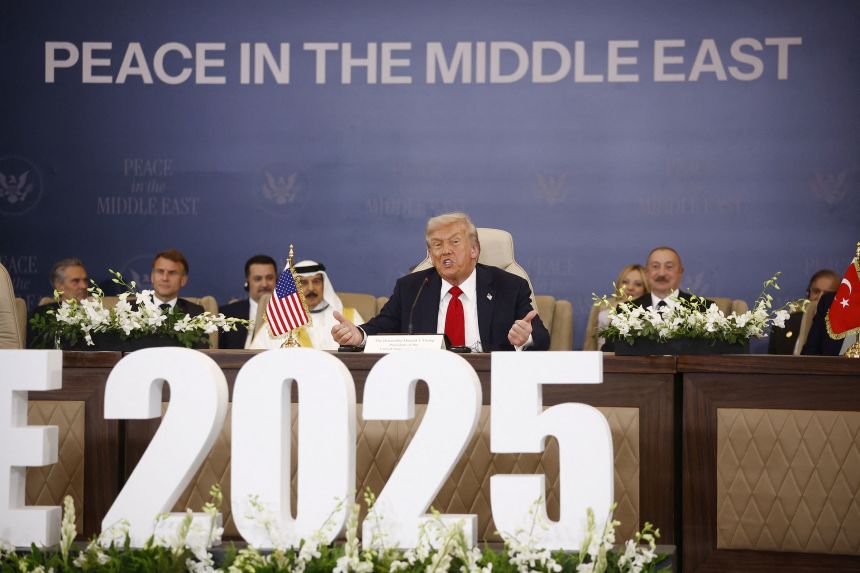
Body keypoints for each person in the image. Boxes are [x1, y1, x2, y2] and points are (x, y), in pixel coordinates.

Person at [331, 212, 550, 351]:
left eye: (454, 242)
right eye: (437, 245)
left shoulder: (509, 286)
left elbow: (541, 337)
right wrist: (358, 335)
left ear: (474, 249)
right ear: (430, 253)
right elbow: (381, 327)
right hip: (427, 386)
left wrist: (526, 337)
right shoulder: (412, 288)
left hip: (491, 387)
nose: (445, 251)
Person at [251, 260, 365, 350]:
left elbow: (366, 350)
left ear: (324, 284)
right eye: (303, 282)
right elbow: (255, 356)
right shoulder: (281, 320)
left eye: (316, 281)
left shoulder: (348, 316)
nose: (311, 288)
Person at [769, 269, 840, 354]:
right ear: (808, 292)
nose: (820, 297)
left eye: (827, 294)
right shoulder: (784, 324)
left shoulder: (840, 330)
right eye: (816, 291)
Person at [218, 255, 278, 349]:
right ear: (248, 281)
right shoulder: (227, 314)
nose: (264, 284)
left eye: (269, 278)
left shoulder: (290, 313)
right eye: (258, 279)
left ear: (276, 280)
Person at [27, 258, 89, 348]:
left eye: (85, 280)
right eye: (75, 281)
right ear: (59, 286)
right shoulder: (43, 314)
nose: (83, 286)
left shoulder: (99, 312)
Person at [595, 264, 649, 350]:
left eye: (638, 284)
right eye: (625, 282)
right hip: (599, 356)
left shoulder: (648, 312)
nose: (630, 288)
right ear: (619, 283)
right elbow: (590, 340)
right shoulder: (602, 304)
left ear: (645, 288)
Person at [149, 249, 203, 316]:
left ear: (183, 280)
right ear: (152, 276)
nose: (165, 278)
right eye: (160, 271)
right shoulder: (133, 310)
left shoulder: (195, 313)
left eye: (172, 273)